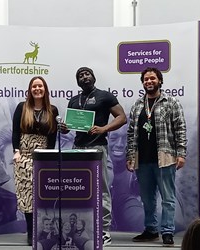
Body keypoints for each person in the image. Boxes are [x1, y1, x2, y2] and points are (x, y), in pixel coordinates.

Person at [61, 66, 126, 246]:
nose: (84, 76)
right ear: (78, 81)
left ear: (93, 77)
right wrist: (65, 128)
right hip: (77, 148)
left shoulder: (105, 96)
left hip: (97, 148)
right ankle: (81, 229)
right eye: (80, 75)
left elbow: (122, 117)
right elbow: (71, 125)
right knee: (77, 190)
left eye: (87, 73)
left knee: (102, 189)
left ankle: (104, 231)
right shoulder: (74, 100)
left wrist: (104, 128)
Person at [126, 67, 187, 246]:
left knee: (167, 198)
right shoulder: (138, 105)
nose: (149, 82)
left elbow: (180, 129)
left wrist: (181, 153)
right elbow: (131, 133)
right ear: (143, 83)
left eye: (152, 78)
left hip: (165, 157)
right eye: (146, 79)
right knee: (146, 198)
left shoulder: (171, 102)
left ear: (160, 81)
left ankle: (167, 231)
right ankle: (151, 229)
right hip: (142, 159)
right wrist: (130, 156)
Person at [12, 76, 59, 245]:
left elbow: (52, 135)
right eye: (34, 86)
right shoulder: (22, 107)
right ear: (30, 90)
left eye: (40, 86)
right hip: (24, 156)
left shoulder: (52, 110)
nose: (37, 89)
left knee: (42, 194)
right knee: (27, 195)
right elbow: (15, 131)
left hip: (43, 155)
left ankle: (44, 230)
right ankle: (31, 231)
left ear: (45, 89)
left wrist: (51, 156)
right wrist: (16, 151)